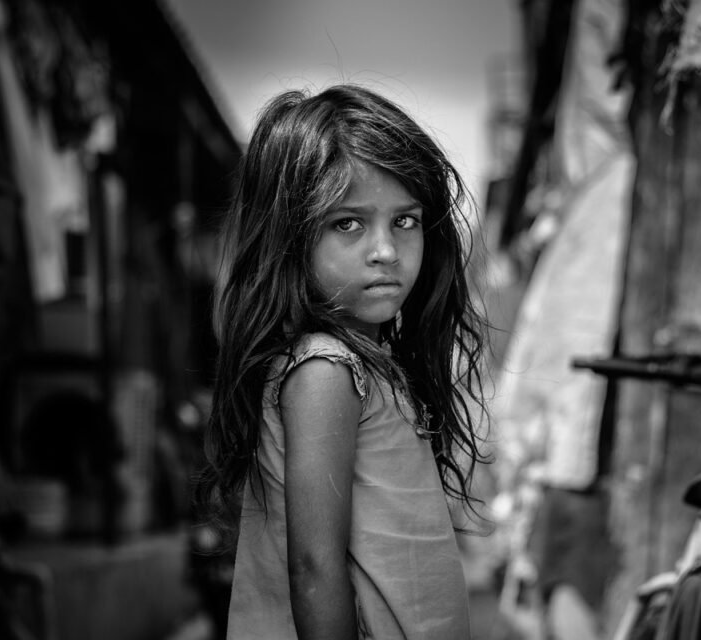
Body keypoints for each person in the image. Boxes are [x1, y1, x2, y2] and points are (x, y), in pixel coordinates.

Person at [196, 84, 489, 639]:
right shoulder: (325, 372)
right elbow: (313, 568)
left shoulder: (368, 363)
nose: (386, 251)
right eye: (347, 223)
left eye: (405, 221)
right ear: (292, 239)